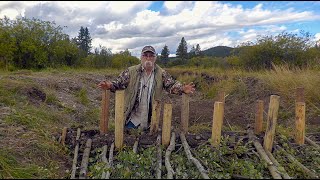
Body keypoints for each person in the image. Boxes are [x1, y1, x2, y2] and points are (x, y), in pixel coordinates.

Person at [97, 45, 195, 131]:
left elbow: (171, 85)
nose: (148, 58)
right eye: (145, 55)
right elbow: (119, 84)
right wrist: (109, 86)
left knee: (149, 142)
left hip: (151, 119)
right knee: (129, 141)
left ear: (155, 58)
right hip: (133, 118)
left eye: (151, 56)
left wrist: (182, 89)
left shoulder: (161, 73)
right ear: (141, 57)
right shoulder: (130, 71)